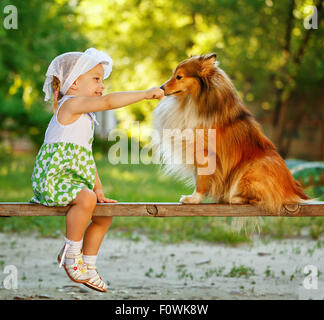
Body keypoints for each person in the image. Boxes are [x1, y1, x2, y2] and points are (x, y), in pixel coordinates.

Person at [30, 48, 164, 292]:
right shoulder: (70, 105)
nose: (102, 86)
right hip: (52, 180)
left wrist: (98, 187)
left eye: (102, 80)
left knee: (104, 212)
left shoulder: (84, 114)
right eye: (96, 79)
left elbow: (84, 156)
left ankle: (89, 264)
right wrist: (144, 94)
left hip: (72, 180)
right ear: (73, 84)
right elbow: (109, 101)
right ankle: (71, 254)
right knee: (87, 199)